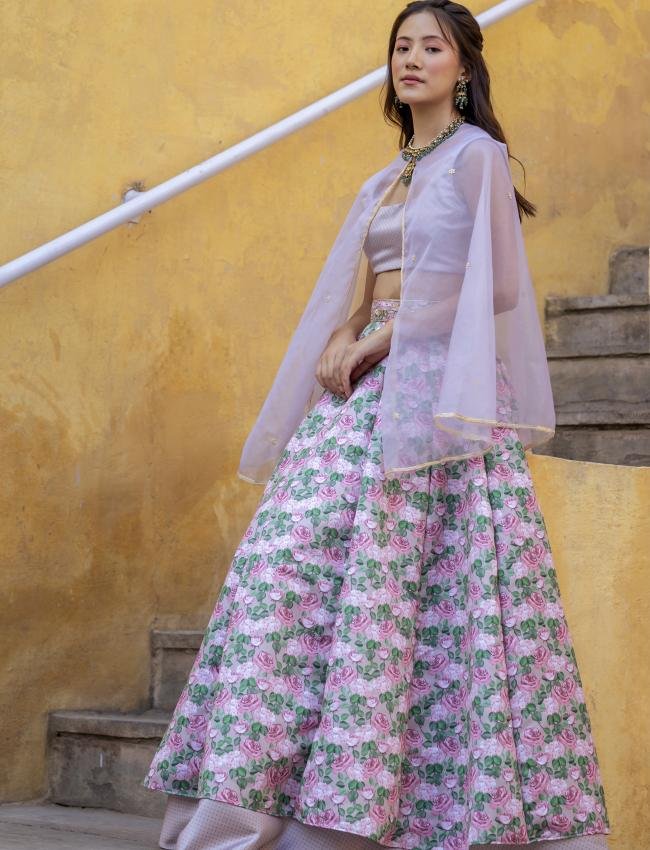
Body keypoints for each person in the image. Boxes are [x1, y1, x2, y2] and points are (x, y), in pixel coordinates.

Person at [143, 3, 612, 849]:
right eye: (402, 46)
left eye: (433, 46)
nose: (413, 58)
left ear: (464, 68)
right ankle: (256, 809)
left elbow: (498, 288)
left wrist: (380, 339)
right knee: (289, 573)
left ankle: (408, 813)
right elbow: (371, 283)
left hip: (440, 399)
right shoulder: (392, 171)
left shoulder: (479, 159)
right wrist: (339, 336)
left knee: (421, 601)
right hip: (363, 392)